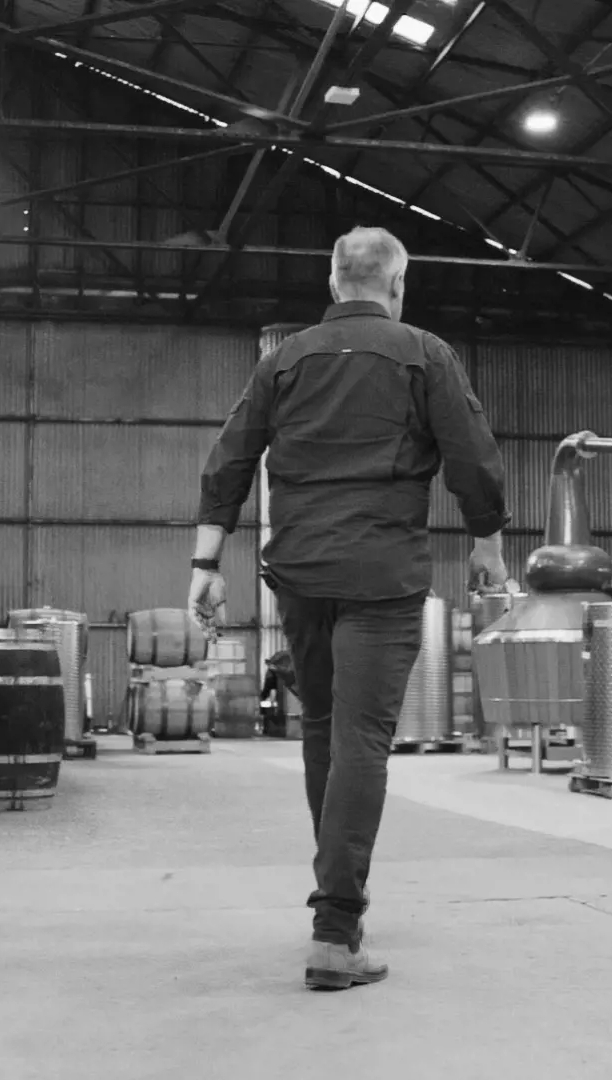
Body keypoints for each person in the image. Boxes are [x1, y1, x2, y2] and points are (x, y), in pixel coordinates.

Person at [187, 226, 509, 991]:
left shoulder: (284, 358)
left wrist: (204, 563)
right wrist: (488, 542)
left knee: (326, 735)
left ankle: (339, 902)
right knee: (362, 739)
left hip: (298, 571)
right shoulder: (424, 353)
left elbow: (229, 458)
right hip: (381, 574)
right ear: (397, 285)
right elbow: (470, 453)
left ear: (334, 284)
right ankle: (335, 929)